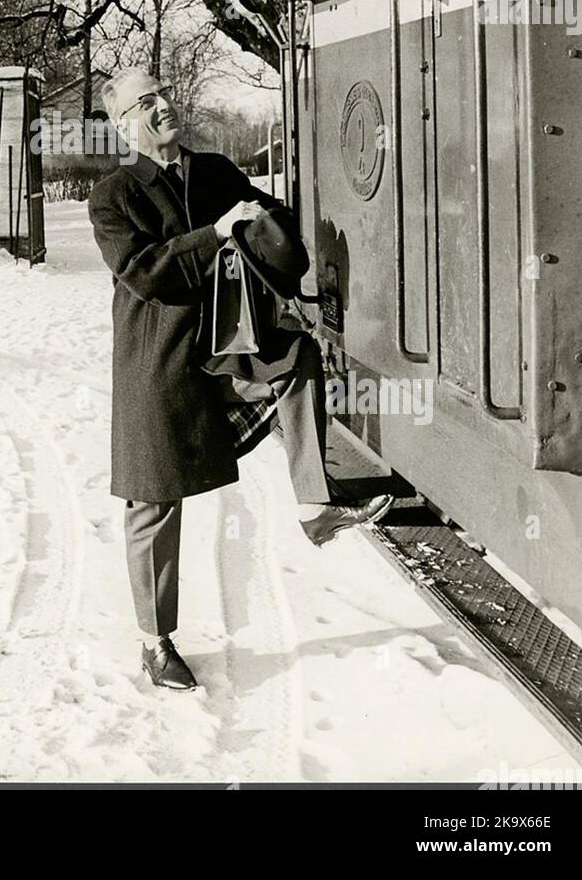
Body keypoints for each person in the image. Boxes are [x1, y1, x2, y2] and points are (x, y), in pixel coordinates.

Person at [88, 68, 394, 691]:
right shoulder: (114, 195)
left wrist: (268, 227)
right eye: (145, 103)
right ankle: (156, 642)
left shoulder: (217, 171)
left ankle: (315, 508)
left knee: (297, 359)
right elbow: (146, 273)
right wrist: (217, 233)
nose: (163, 105)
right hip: (160, 362)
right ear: (123, 127)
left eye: (163, 93)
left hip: (232, 350)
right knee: (153, 501)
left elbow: (272, 228)